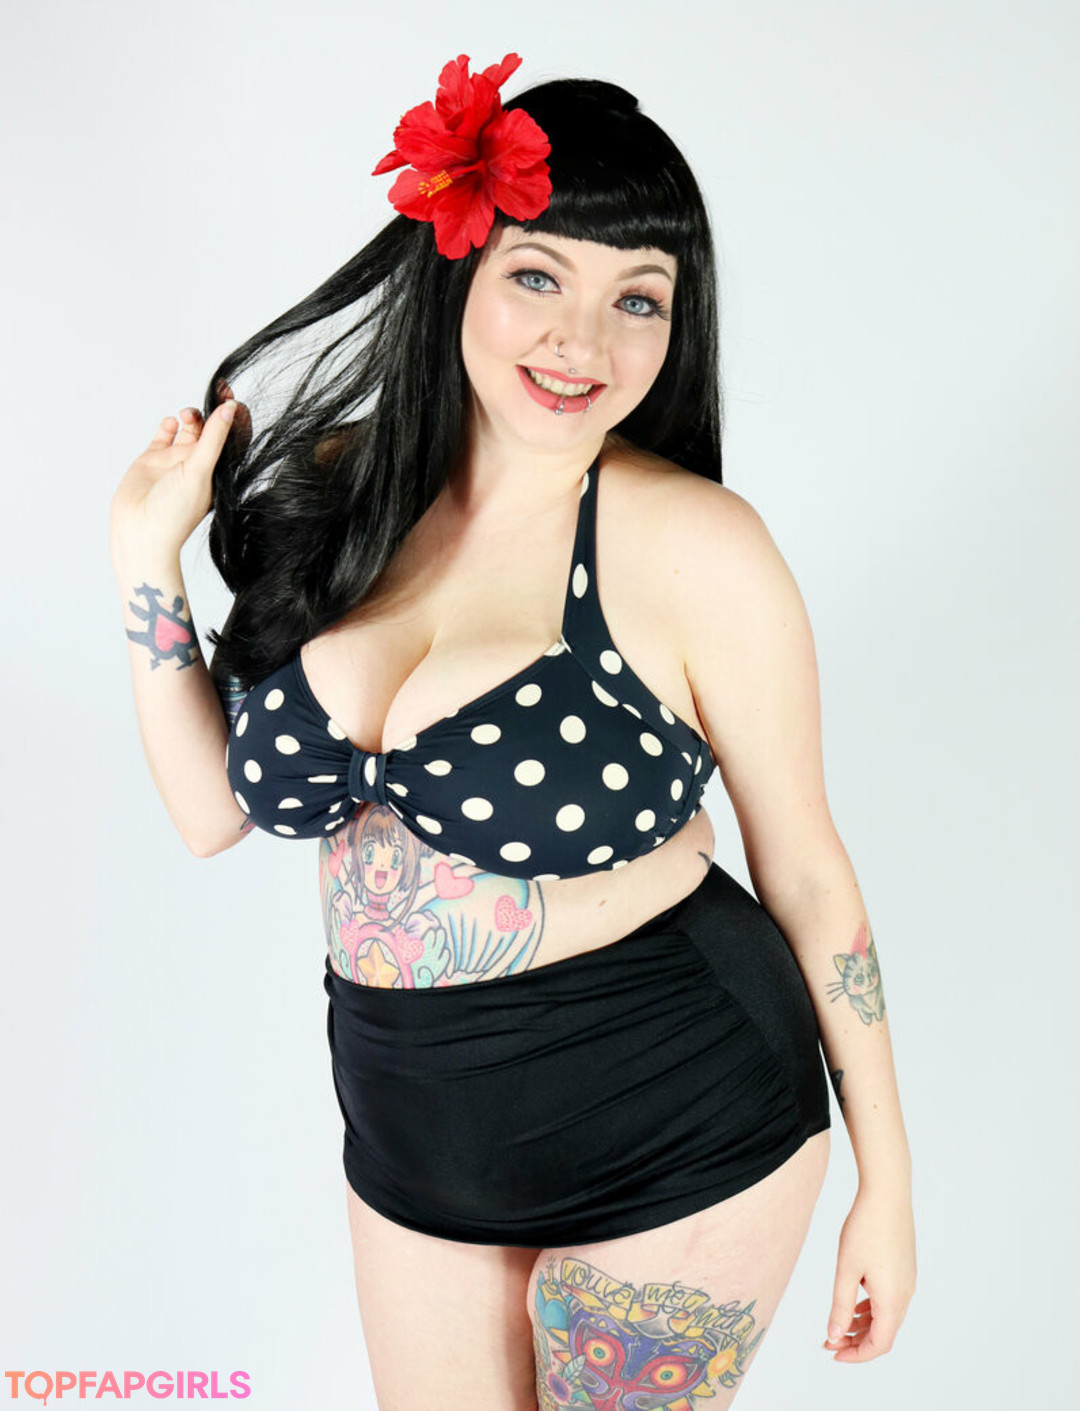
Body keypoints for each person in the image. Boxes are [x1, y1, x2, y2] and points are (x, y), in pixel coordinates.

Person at [110, 53, 915, 1410]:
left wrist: (887, 1184)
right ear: (459, 268)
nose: (583, 343)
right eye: (540, 277)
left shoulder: (697, 548)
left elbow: (808, 870)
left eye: (637, 299)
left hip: (680, 1119)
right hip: (411, 1137)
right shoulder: (344, 496)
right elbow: (208, 814)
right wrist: (145, 561)